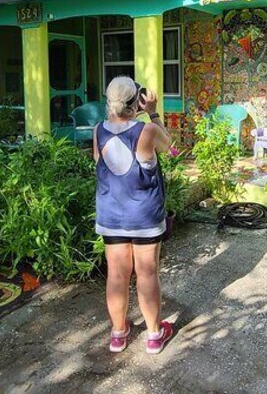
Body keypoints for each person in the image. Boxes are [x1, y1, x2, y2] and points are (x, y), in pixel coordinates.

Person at [93, 76, 174, 354]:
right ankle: (153, 335)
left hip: (111, 214)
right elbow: (170, 147)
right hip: (144, 216)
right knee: (147, 273)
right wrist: (152, 112)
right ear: (135, 101)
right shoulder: (147, 130)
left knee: (116, 275)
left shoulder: (98, 130)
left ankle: (118, 334)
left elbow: (101, 163)